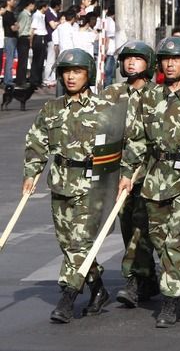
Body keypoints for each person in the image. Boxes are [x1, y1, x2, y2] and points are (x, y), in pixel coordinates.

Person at [23, 48, 113, 323]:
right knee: (68, 244)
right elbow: (37, 142)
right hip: (61, 183)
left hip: (91, 187)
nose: (71, 77)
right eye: (66, 72)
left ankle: (67, 297)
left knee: (78, 243)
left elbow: (122, 144)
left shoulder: (103, 109)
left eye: (77, 71)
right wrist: (31, 172)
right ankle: (98, 289)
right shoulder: (52, 108)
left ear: (89, 74)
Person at [119, 36, 180, 328]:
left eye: (176, 59)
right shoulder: (149, 98)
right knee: (159, 240)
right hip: (155, 178)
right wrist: (127, 174)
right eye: (166, 59)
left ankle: (171, 300)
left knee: (177, 240)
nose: (170, 64)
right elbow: (138, 140)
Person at [102, 41, 160, 310]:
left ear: (148, 63)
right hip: (122, 170)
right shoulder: (112, 93)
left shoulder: (159, 95)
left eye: (137, 58)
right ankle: (144, 276)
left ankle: (139, 277)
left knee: (144, 225)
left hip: (153, 170)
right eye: (127, 59)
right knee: (128, 223)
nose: (131, 63)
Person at [15, 0, 35, 88]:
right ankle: (20, 81)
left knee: (24, 60)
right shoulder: (24, 14)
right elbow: (20, 28)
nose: (34, 7)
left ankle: (22, 80)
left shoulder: (28, 14)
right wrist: (22, 38)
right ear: (30, 4)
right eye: (33, 4)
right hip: (22, 38)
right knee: (22, 61)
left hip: (25, 38)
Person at [29, 0, 49, 88]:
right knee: (36, 60)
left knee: (41, 60)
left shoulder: (42, 16)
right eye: (46, 6)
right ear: (43, 7)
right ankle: (34, 80)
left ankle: (39, 80)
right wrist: (30, 42)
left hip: (43, 38)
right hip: (38, 38)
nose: (47, 8)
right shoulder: (36, 15)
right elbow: (32, 30)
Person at [43, 0, 62, 87]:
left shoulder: (55, 13)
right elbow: (53, 26)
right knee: (50, 59)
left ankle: (52, 78)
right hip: (50, 38)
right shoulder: (49, 13)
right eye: (60, 5)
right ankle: (47, 78)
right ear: (57, 5)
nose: (60, 7)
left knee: (54, 59)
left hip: (56, 38)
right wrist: (60, 22)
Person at [2, 0, 18, 90]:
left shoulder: (11, 13)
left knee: (11, 59)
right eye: (13, 0)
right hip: (9, 38)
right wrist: (16, 26)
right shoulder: (7, 14)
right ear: (8, 1)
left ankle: (8, 80)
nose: (14, 2)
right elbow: (14, 28)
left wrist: (16, 26)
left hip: (12, 38)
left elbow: (16, 25)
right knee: (9, 60)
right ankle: (8, 81)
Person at [103, 6, 116, 87]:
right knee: (108, 72)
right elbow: (107, 36)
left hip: (108, 50)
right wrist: (105, 49)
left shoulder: (105, 20)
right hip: (110, 50)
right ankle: (107, 88)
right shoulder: (110, 21)